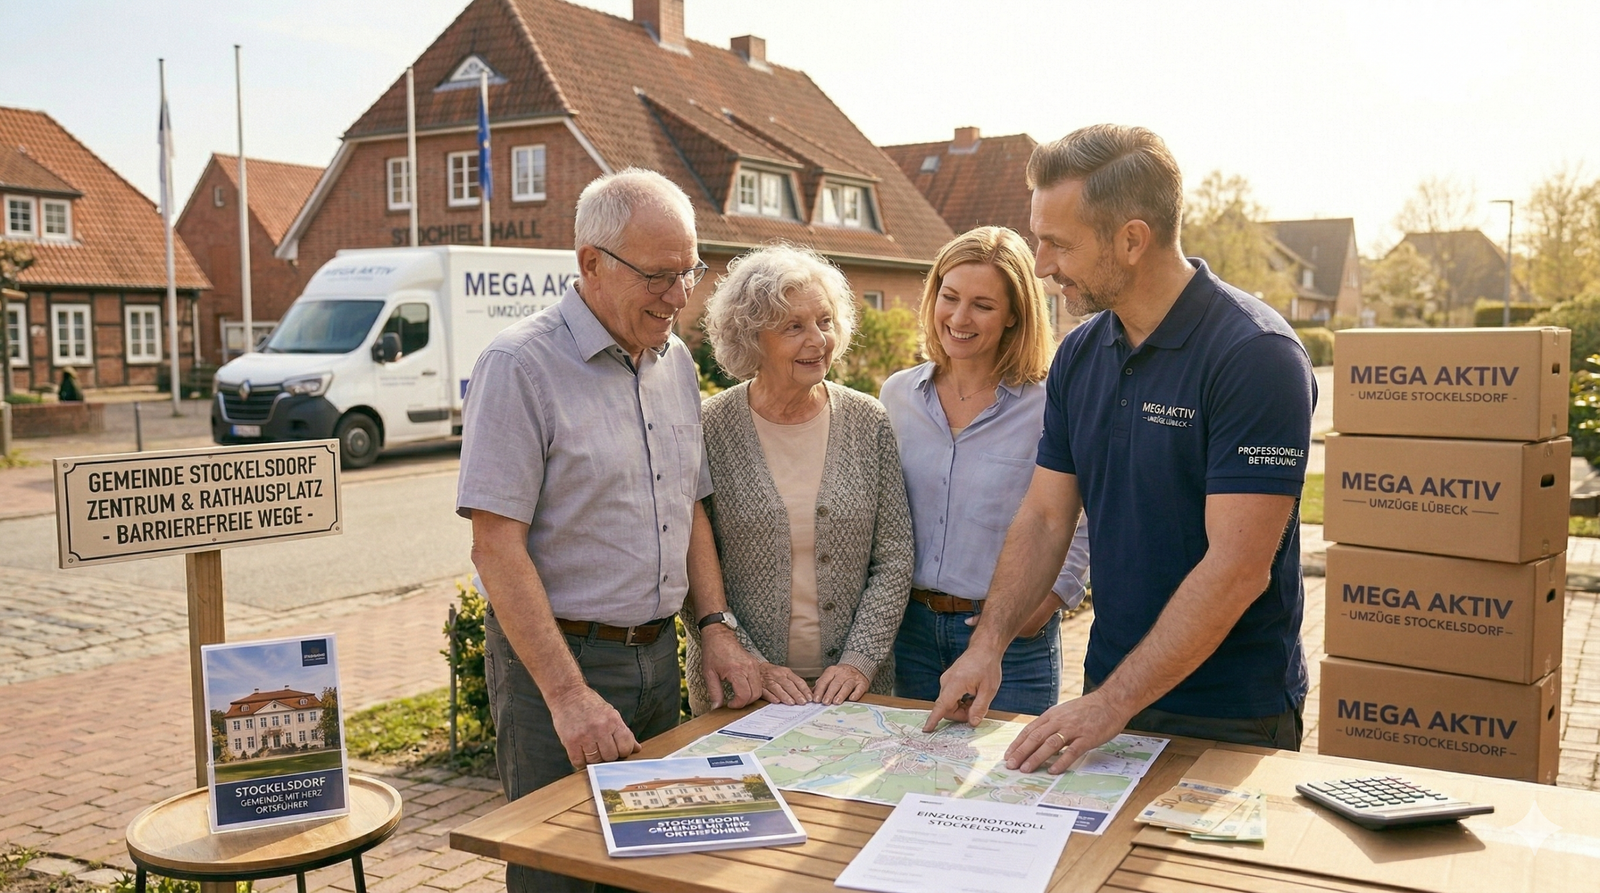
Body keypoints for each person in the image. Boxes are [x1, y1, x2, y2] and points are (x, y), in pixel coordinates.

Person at [926, 125, 1316, 774]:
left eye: (1058, 244)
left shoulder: (1255, 356)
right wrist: (988, 643)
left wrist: (1109, 703)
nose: (1043, 266)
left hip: (1230, 714)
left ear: (1132, 239)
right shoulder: (1080, 355)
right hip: (1111, 697)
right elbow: (1047, 515)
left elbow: (1237, 568)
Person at [457, 168, 762, 893]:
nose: (680, 295)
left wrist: (713, 625)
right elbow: (495, 545)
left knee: (650, 874)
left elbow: (687, 503)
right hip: (559, 670)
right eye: (659, 275)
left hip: (658, 660)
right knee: (557, 876)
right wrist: (567, 695)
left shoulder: (675, 361)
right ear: (590, 262)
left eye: (688, 271)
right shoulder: (519, 365)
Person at [685, 244, 913, 713]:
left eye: (825, 321)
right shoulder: (708, 429)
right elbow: (687, 557)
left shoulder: (869, 421)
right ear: (751, 338)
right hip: (742, 688)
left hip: (854, 691)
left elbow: (894, 557)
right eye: (794, 327)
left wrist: (859, 661)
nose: (818, 340)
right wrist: (748, 661)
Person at [880, 226, 1090, 717]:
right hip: (907, 634)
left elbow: (1085, 518)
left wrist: (1051, 600)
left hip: (1012, 642)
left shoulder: (1050, 405)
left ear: (1016, 314)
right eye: (948, 297)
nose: (959, 317)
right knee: (903, 782)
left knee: (1008, 788)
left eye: (983, 305)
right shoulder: (896, 396)